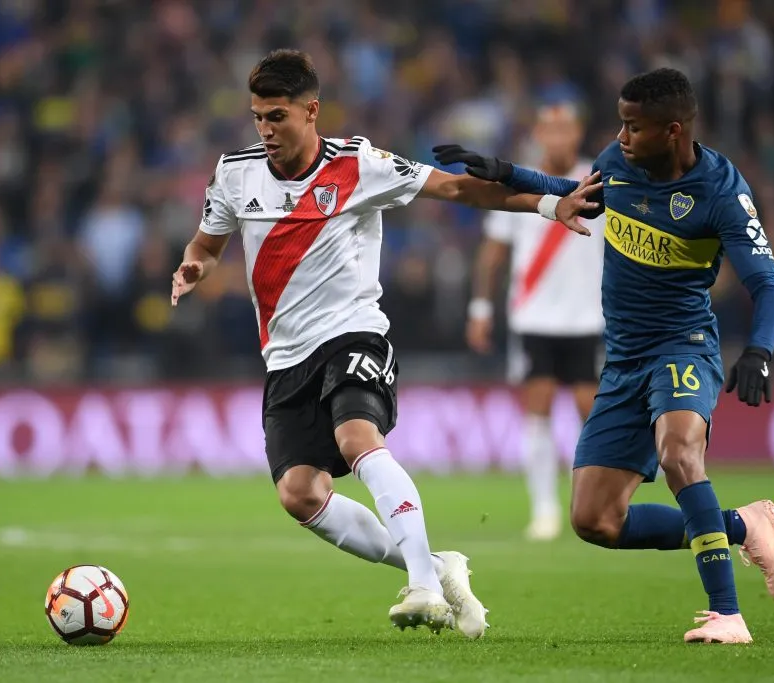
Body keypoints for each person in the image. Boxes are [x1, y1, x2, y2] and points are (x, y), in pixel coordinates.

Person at [169, 49, 600, 638]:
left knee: (355, 437)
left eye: (278, 116)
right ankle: (434, 565)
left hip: (354, 334)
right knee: (300, 494)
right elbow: (206, 243)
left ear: (311, 110)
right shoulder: (235, 172)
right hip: (286, 357)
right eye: (258, 118)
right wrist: (192, 267)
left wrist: (551, 202)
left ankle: (423, 588)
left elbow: (454, 189)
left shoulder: (359, 163)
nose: (266, 130)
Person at [434, 68, 774, 644]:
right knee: (595, 521)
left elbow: (768, 285)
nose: (621, 138)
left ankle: (727, 613)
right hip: (623, 359)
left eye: (633, 127)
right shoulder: (619, 162)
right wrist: (505, 172)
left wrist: (758, 350)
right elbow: (568, 187)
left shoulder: (722, 192)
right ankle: (741, 524)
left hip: (683, 346)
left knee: (680, 456)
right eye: (620, 124)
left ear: (673, 130)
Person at [463, 102, 604, 541]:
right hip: (535, 316)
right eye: (550, 129)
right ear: (539, 134)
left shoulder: (600, 182)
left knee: (592, 414)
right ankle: (544, 510)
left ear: (577, 133)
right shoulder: (519, 181)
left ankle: (591, 505)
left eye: (566, 129)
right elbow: (493, 253)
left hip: (589, 317)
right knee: (537, 408)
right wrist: (480, 308)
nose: (558, 137)